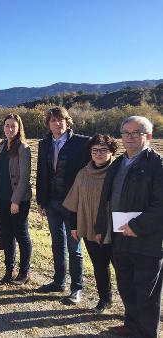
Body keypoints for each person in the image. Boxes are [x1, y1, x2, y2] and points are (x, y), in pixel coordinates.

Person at [95, 116, 163, 338]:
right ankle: (131, 325)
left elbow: (160, 204)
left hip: (146, 239)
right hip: (118, 235)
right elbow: (106, 198)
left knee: (146, 291)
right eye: (125, 132)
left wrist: (137, 226)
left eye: (136, 133)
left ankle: (146, 333)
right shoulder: (118, 163)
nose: (130, 137)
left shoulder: (157, 164)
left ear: (148, 136)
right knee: (126, 285)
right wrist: (101, 226)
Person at [35, 106, 90, 305]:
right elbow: (42, 172)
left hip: (73, 205)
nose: (57, 124)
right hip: (51, 203)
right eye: (52, 120)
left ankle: (76, 289)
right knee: (57, 244)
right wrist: (40, 201)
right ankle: (59, 281)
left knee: (74, 247)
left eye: (60, 120)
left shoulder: (82, 143)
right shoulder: (44, 144)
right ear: (48, 124)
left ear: (67, 121)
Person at [62, 134, 118, 313]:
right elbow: (74, 201)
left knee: (122, 269)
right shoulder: (83, 173)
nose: (99, 154)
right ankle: (105, 299)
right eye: (95, 150)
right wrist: (73, 226)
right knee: (99, 266)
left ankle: (134, 308)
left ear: (111, 152)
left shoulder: (118, 172)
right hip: (89, 228)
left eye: (103, 150)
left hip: (114, 230)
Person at [0, 114, 32, 284]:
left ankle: (24, 272)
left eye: (13, 126)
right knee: (7, 235)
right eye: (7, 125)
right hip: (1, 198)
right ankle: (9, 270)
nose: (10, 129)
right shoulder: (1, 146)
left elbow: (25, 177)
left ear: (19, 128)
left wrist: (16, 201)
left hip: (17, 200)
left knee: (21, 235)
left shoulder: (23, 148)